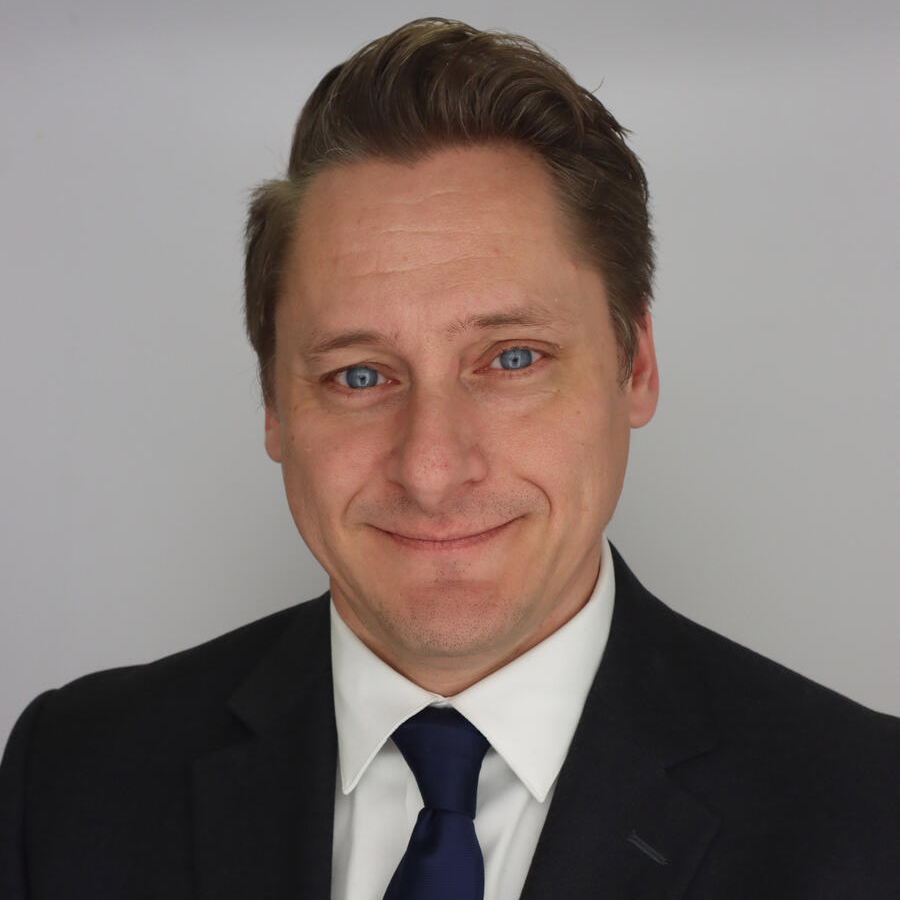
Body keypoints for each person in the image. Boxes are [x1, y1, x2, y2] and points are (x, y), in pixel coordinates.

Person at [1, 17, 897, 900]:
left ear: (636, 367)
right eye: (359, 375)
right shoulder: (68, 779)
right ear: (274, 405)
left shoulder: (870, 816)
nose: (431, 470)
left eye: (512, 359)